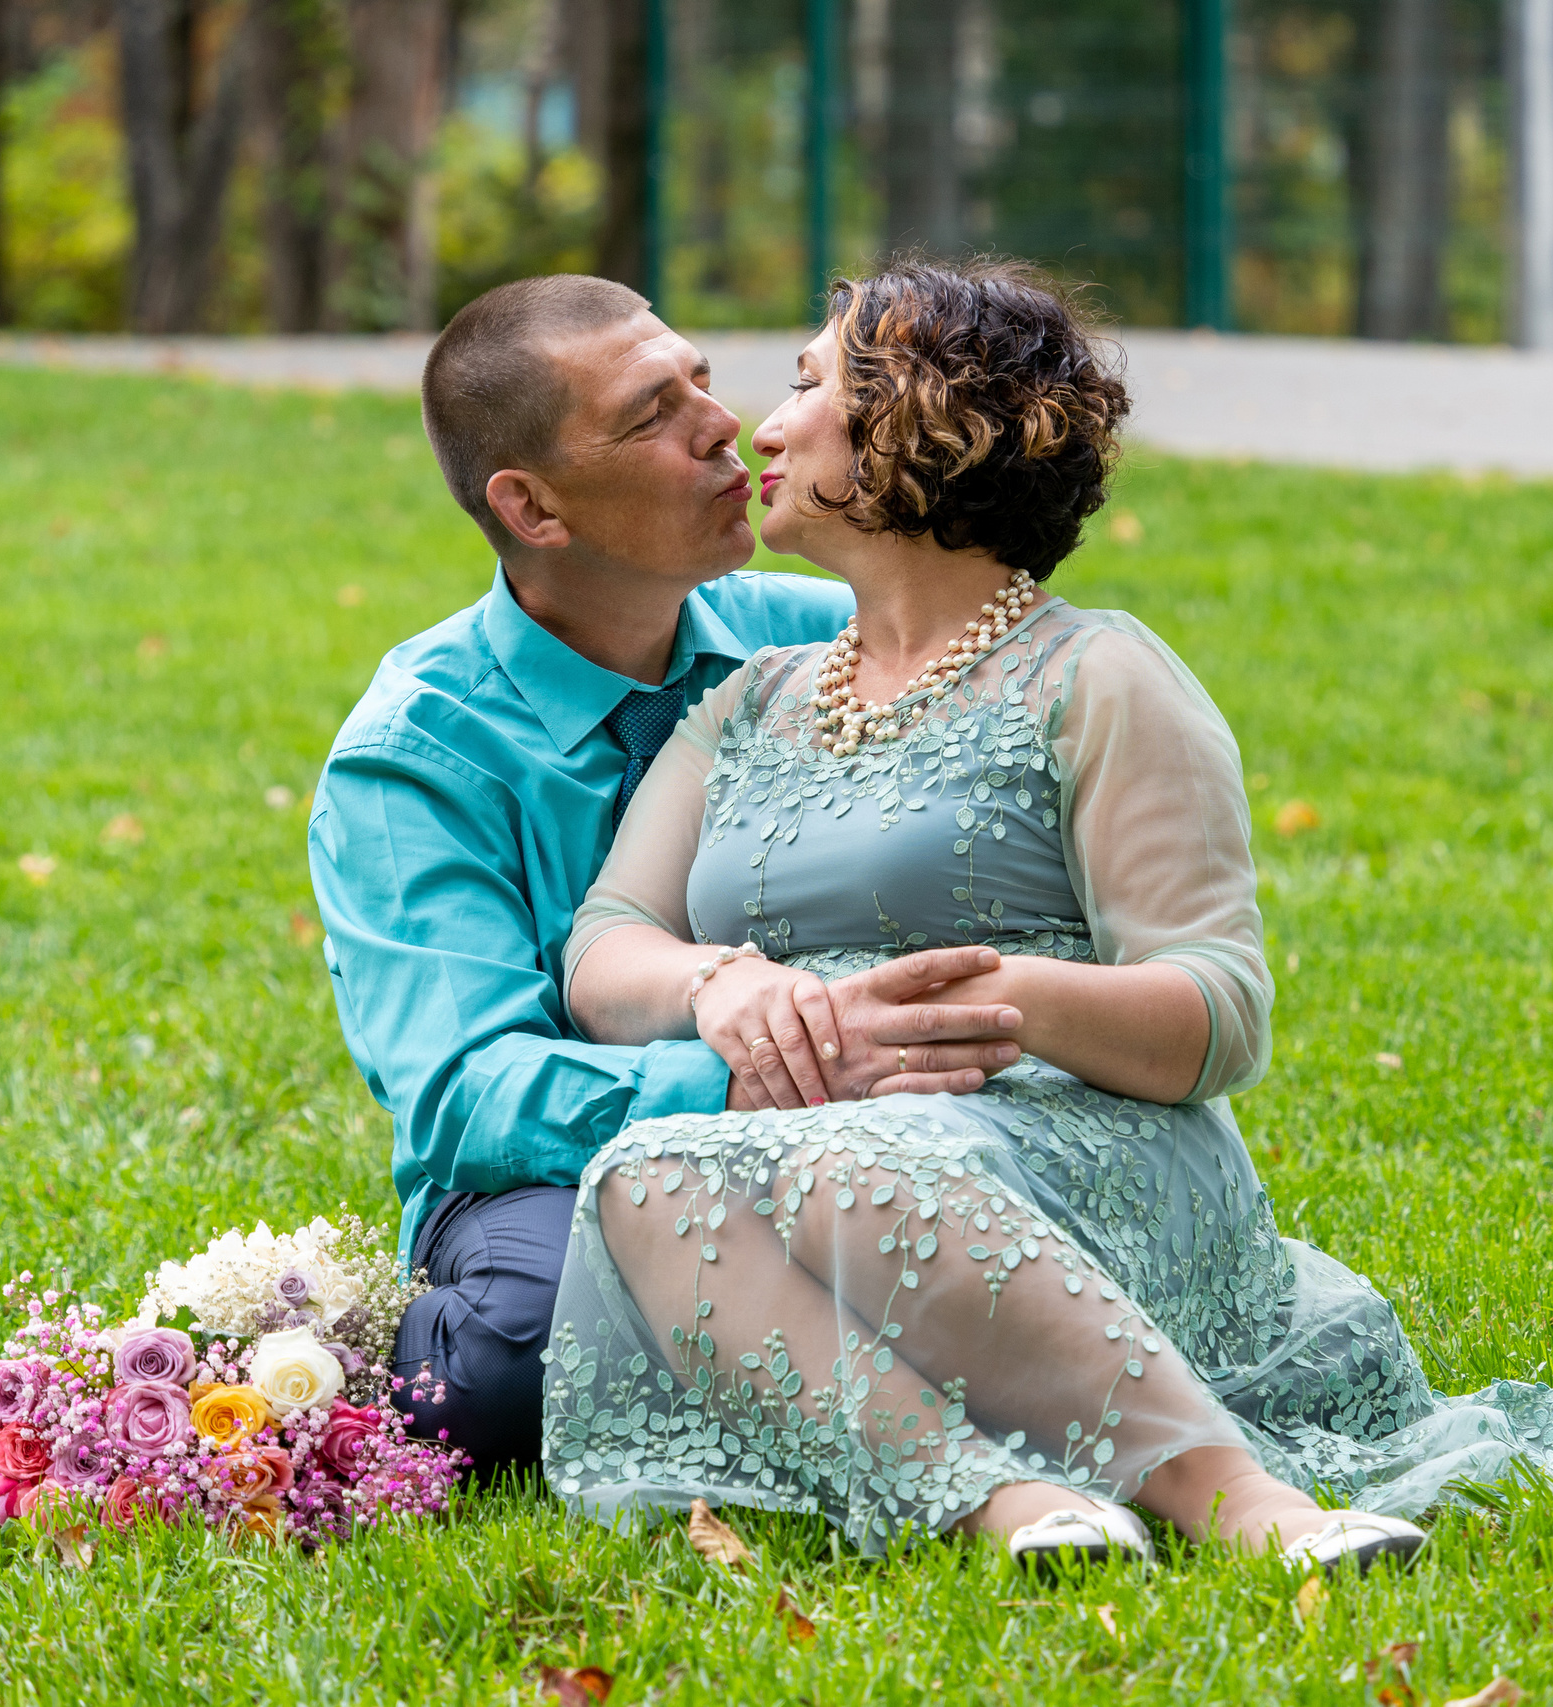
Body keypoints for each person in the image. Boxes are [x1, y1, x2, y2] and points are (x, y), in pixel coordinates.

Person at [544, 259, 1553, 1571]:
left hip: (1071, 1145)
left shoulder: (1102, 673)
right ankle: (1009, 1503)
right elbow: (607, 943)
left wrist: (972, 1006)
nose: (767, 424)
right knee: (640, 1175)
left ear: (923, 427)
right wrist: (723, 990)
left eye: (811, 385)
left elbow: (1219, 1012)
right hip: (811, 1146)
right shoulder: (753, 698)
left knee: (848, 1158)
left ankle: (1252, 1504)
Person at [309, 276, 1029, 1476]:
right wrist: (758, 1073)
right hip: (549, 1176)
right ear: (532, 507)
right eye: (651, 416)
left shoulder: (814, 636)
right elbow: (466, 1092)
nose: (722, 425)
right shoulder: (414, 758)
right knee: (498, 1370)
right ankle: (317, 1344)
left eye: (699, 377)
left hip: (875, 1119)